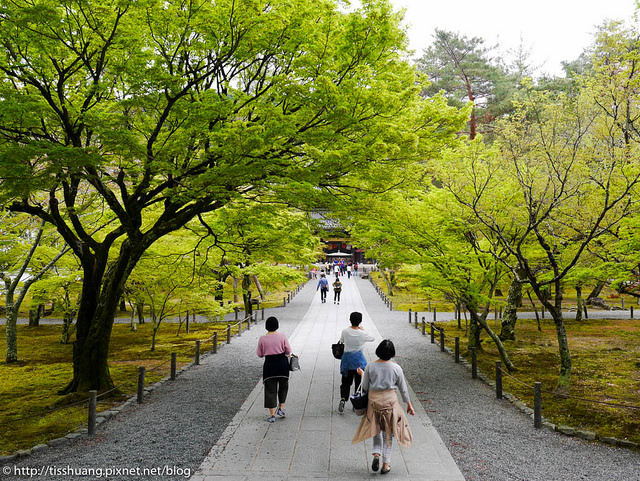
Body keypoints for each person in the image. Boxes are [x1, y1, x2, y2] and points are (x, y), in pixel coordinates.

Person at [353, 340, 415, 475]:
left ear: (378, 351)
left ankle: (376, 454)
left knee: (376, 430)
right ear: (392, 353)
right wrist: (408, 404)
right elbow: (403, 389)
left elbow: (365, 387)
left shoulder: (370, 366)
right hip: (390, 403)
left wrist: (363, 374)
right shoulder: (396, 368)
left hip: (374, 402)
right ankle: (385, 465)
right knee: (388, 434)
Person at [257, 316, 292, 423]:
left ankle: (272, 415)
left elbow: (260, 354)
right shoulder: (282, 336)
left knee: (270, 390)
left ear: (266, 326)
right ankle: (281, 408)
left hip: (269, 366)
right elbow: (288, 351)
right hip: (282, 365)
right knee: (283, 387)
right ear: (277, 325)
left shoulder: (262, 339)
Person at [338, 312, 375, 413]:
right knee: (359, 382)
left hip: (347, 360)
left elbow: (341, 340)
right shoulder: (362, 334)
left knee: (345, 382)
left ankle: (343, 398)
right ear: (360, 321)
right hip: (359, 361)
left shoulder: (345, 331)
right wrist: (362, 330)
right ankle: (356, 402)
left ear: (350, 320)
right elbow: (373, 338)